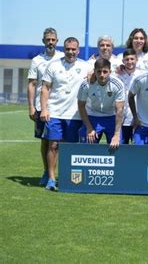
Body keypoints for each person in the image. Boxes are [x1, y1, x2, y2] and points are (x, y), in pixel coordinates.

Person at [40, 37, 89, 190]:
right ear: (64, 49)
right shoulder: (53, 65)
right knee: (53, 145)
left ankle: (68, 179)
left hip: (75, 115)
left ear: (78, 50)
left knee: (71, 148)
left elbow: (100, 75)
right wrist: (44, 108)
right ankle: (51, 178)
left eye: (73, 49)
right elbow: (45, 88)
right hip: (54, 112)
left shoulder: (86, 66)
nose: (70, 52)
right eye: (68, 49)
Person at [27, 27, 64, 186]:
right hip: (41, 107)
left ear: (57, 41)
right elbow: (32, 84)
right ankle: (47, 172)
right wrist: (31, 107)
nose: (50, 42)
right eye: (48, 39)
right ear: (43, 41)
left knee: (58, 142)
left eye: (53, 39)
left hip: (59, 107)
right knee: (45, 141)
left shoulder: (63, 57)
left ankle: (56, 174)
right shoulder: (37, 60)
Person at [77, 58, 125, 149]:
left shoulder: (117, 84)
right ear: (94, 71)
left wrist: (117, 134)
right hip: (92, 116)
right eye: (99, 72)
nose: (102, 75)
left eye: (105, 72)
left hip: (111, 117)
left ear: (110, 72)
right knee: (86, 145)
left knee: (117, 145)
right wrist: (89, 128)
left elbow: (119, 110)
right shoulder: (86, 84)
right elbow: (81, 105)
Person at [115, 49, 145, 144]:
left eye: (132, 59)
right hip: (121, 117)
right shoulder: (117, 75)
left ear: (137, 60)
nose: (129, 62)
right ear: (123, 61)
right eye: (127, 59)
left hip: (138, 117)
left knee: (137, 146)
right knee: (120, 146)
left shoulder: (143, 75)